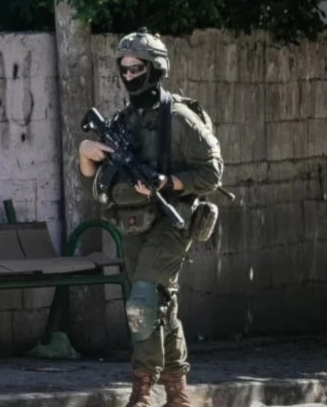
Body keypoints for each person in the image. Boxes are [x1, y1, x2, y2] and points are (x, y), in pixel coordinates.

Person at [78, 29, 223, 407]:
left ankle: (141, 391)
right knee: (160, 304)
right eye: (123, 69)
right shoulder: (122, 121)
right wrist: (87, 151)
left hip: (173, 222)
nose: (129, 76)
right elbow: (94, 180)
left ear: (155, 69)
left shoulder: (180, 118)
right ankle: (177, 393)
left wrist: (168, 181)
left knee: (141, 301)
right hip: (132, 223)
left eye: (136, 68)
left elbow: (212, 172)